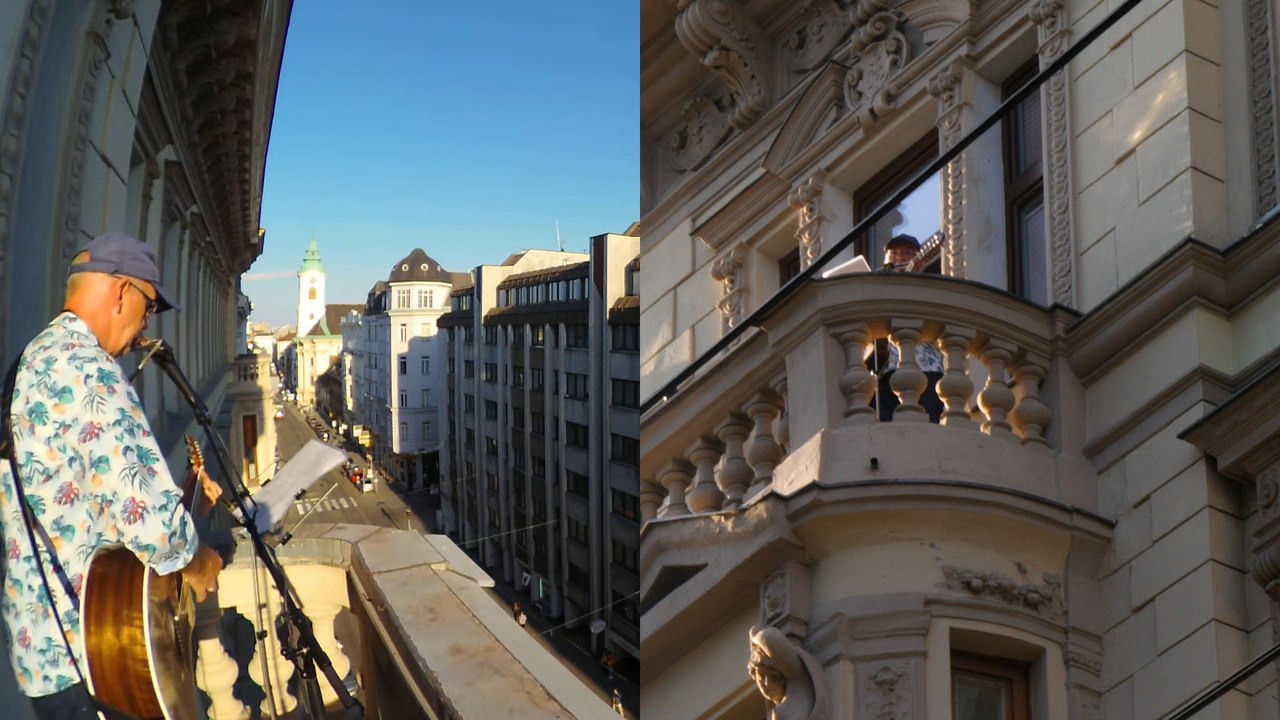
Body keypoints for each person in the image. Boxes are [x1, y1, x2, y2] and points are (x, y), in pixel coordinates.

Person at [0, 232, 224, 719]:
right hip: (94, 662)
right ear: (122, 292)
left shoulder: (29, 362)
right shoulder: (89, 369)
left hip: (45, 653)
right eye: (148, 306)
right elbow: (148, 520)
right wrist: (199, 560)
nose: (146, 325)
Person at [870, 234, 945, 422]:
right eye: (893, 253)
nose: (899, 257)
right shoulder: (879, 294)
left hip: (925, 371)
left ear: (919, 260)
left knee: (927, 425)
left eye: (907, 253)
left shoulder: (931, 289)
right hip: (887, 374)